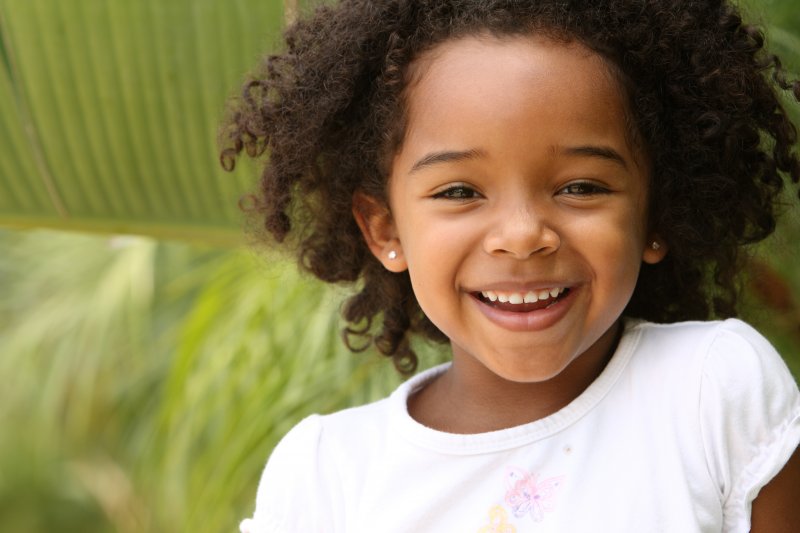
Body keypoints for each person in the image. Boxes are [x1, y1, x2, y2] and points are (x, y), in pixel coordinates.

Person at [220, 1, 800, 531]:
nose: (522, 236)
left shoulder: (710, 391)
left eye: (579, 186)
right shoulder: (327, 476)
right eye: (458, 192)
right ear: (386, 229)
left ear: (654, 214)